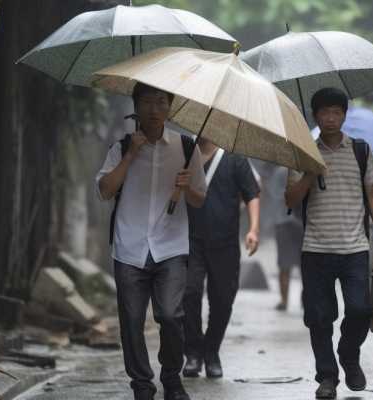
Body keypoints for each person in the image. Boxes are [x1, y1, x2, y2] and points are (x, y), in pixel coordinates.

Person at [96, 83, 206, 400]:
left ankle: (171, 378)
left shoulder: (187, 148)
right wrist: (131, 155)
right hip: (129, 247)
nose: (154, 109)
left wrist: (187, 187)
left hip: (171, 248)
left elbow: (199, 200)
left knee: (171, 316)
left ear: (170, 107)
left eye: (161, 102)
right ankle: (142, 385)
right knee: (131, 321)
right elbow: (104, 190)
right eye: (147, 102)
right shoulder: (121, 146)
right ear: (136, 107)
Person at [285, 87, 373, 399]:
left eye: (336, 112)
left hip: (355, 248)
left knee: (361, 309)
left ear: (344, 115)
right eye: (324, 112)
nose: (331, 118)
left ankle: (348, 353)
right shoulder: (303, 152)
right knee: (319, 317)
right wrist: (309, 172)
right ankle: (327, 377)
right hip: (316, 249)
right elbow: (290, 199)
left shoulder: (360, 150)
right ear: (316, 116)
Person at [182, 138, 260, 379]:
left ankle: (211, 351)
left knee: (223, 299)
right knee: (189, 292)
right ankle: (193, 353)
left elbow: (252, 194)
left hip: (225, 241)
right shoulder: (185, 152)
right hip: (188, 239)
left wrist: (253, 229)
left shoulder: (235, 157)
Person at [271, 165, 304, 311]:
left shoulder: (307, 172)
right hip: (285, 223)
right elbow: (279, 197)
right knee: (285, 264)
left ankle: (305, 298)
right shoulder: (281, 172)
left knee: (306, 265)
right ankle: (284, 300)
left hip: (301, 224)